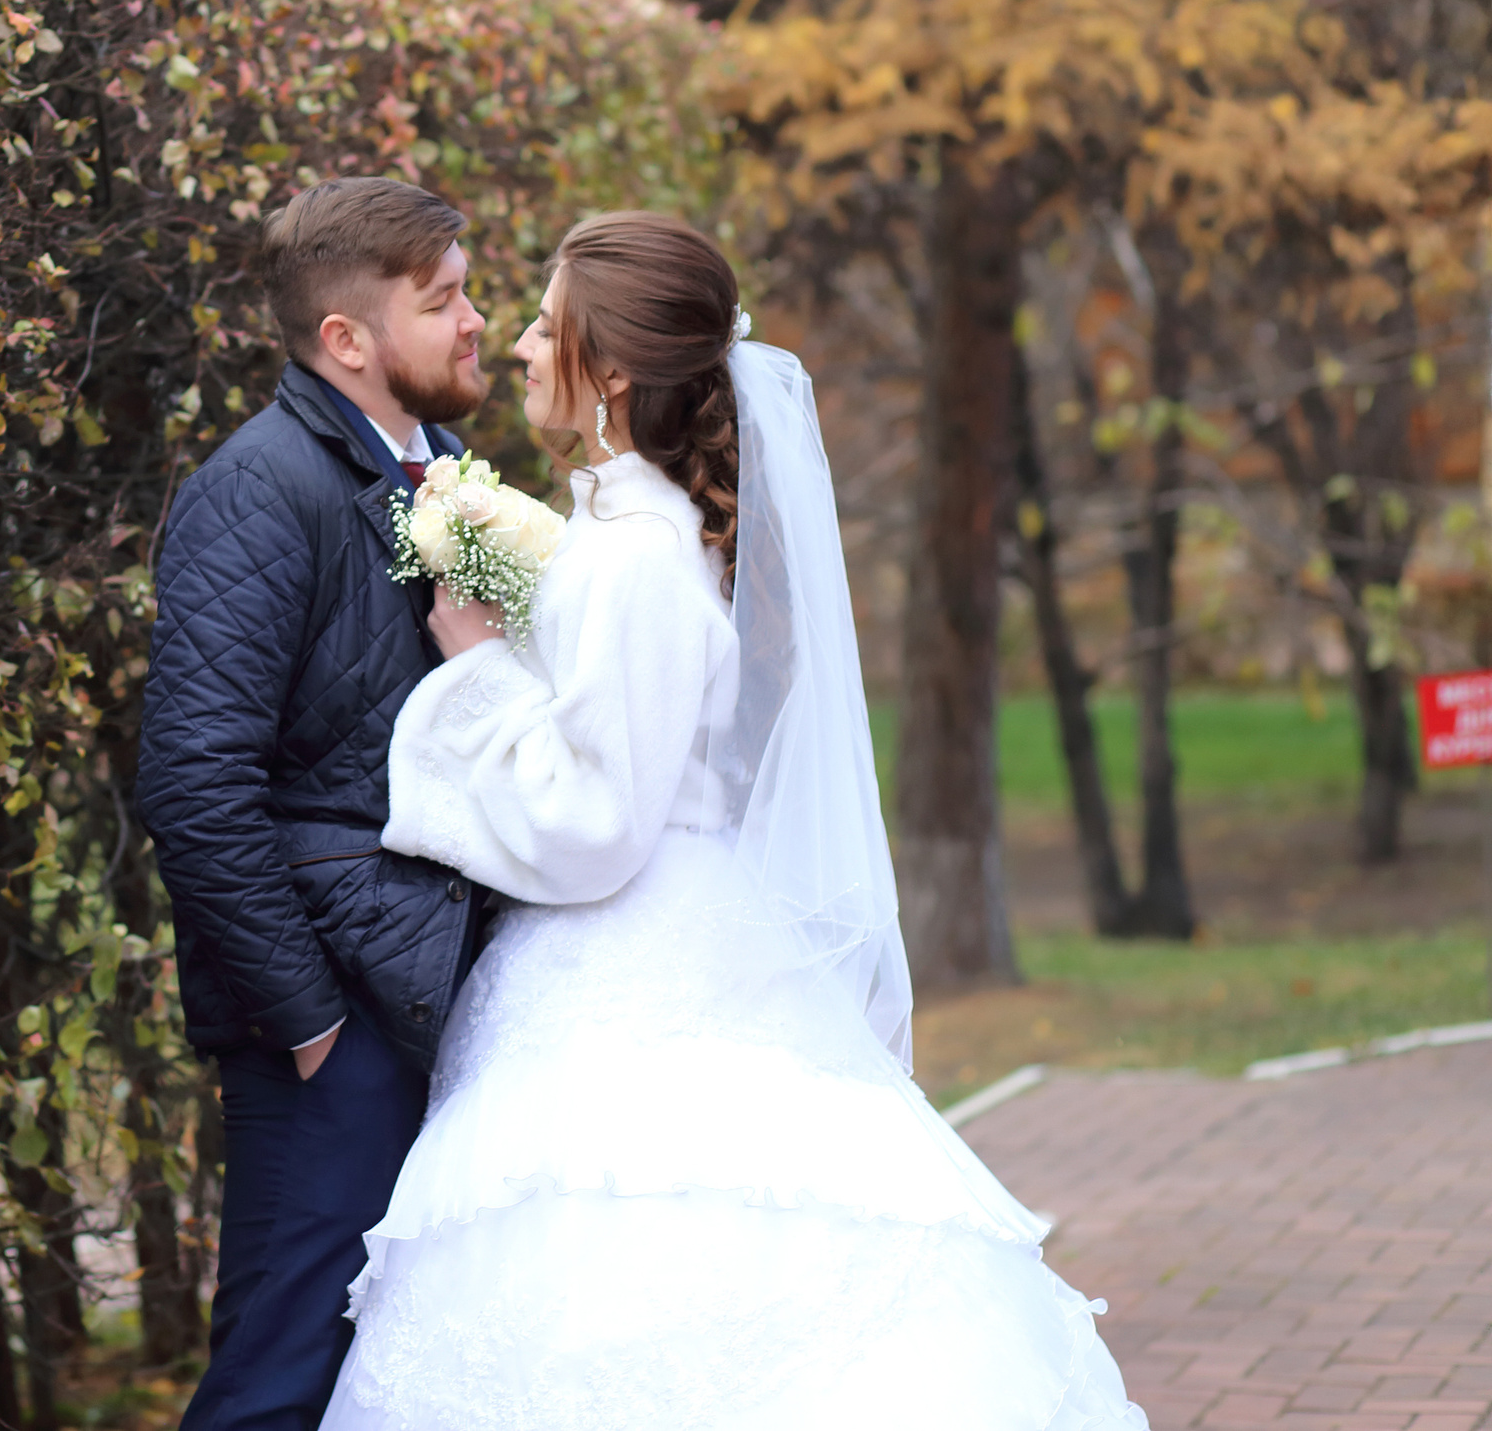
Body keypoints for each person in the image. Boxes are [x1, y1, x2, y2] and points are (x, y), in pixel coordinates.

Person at [319, 212, 1150, 1429]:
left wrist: (475, 670)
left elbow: (598, 818)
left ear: (608, 369)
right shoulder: (630, 528)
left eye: (549, 326)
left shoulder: (638, 552)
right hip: (681, 930)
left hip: (638, 951)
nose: (525, 344)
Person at [138, 177, 498, 1430]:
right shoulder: (260, 488)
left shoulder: (444, 473)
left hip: (429, 992)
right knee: (279, 1379)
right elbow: (193, 780)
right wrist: (303, 1024)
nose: (476, 322)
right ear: (347, 338)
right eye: (443, 300)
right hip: (329, 1022)